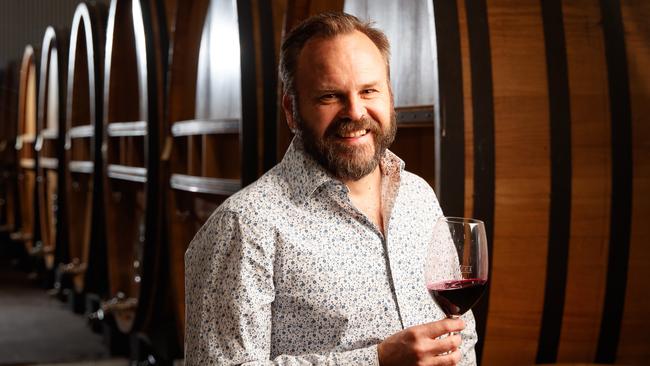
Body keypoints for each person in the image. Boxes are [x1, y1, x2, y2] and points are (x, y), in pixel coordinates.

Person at [185, 12, 477, 366]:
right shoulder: (244, 225)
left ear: (390, 96)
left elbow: (461, 334)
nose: (355, 112)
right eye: (329, 96)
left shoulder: (418, 196)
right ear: (292, 111)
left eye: (369, 90)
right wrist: (377, 361)